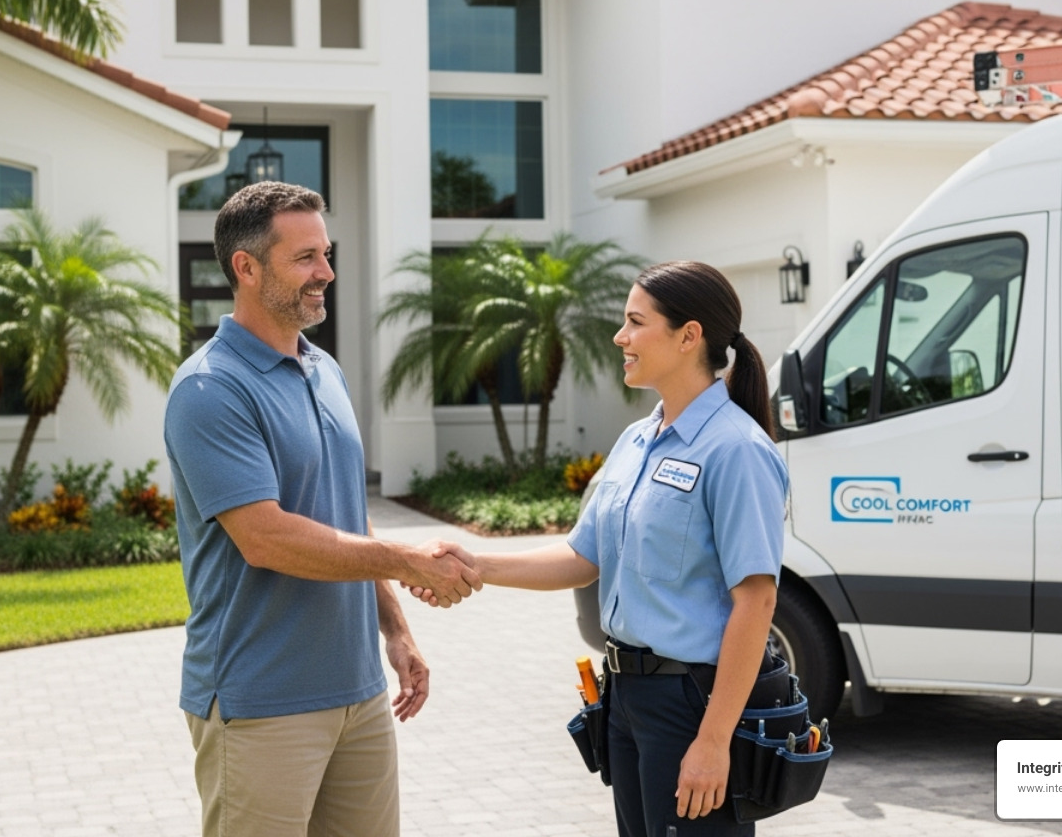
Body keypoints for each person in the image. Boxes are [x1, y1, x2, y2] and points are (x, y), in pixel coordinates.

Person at [413, 260, 788, 837]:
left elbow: (756, 602)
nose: (620, 337)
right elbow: (582, 559)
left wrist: (714, 741)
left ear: (689, 336)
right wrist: (474, 563)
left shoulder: (737, 450)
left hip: (692, 703)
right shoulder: (637, 440)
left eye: (636, 322)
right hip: (627, 698)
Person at [164, 181, 481, 837]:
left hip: (358, 694)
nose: (326, 272)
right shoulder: (210, 388)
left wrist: (395, 630)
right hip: (260, 701)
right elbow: (266, 538)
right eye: (305, 257)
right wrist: (408, 558)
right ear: (246, 268)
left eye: (326, 254)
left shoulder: (323, 369)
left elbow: (345, 513)